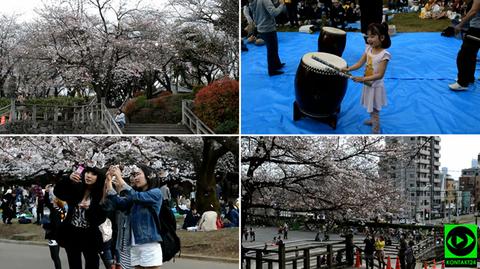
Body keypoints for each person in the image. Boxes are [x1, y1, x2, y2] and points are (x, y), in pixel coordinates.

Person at [105, 164, 163, 269]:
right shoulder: (135, 195)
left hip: (148, 243)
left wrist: (119, 177)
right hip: (134, 244)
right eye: (134, 175)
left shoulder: (156, 193)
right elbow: (119, 203)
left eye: (138, 174)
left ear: (149, 176)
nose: (135, 178)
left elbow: (135, 196)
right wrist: (109, 182)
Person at [54, 166, 107, 269]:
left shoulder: (100, 194)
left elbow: (102, 217)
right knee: (74, 264)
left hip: (90, 234)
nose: (89, 176)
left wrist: (90, 208)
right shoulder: (77, 187)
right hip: (72, 232)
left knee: (92, 263)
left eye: (93, 174)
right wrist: (67, 178)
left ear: (98, 177)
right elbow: (58, 193)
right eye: (87, 172)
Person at [342, 22, 392, 134]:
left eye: (373, 36)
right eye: (368, 36)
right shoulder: (368, 49)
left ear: (382, 37)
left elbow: (380, 75)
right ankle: (372, 119)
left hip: (375, 87)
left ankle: (376, 129)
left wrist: (362, 79)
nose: (369, 39)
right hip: (367, 84)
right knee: (371, 106)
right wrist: (348, 69)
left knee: (375, 109)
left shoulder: (384, 55)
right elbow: (360, 63)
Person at [449, 0, 480, 90]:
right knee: (471, 55)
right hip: (476, 28)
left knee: (463, 56)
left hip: (476, 30)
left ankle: (462, 83)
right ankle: (469, 78)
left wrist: (460, 25)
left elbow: (473, 11)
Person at [250, 0, 287, 76]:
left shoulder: (254, 1)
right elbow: (274, 13)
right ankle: (272, 70)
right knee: (272, 50)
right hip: (268, 28)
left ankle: (277, 64)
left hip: (261, 28)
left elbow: (253, 15)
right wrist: (281, 5)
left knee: (274, 48)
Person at [43, 184, 66, 269]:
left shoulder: (57, 210)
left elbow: (57, 224)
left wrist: (47, 226)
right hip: (57, 235)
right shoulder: (61, 210)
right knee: (55, 257)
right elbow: (46, 201)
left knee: (55, 257)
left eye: (53, 200)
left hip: (54, 236)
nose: (52, 201)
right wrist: (46, 192)